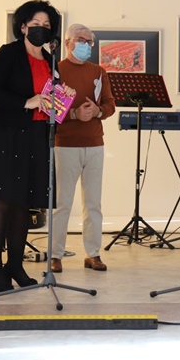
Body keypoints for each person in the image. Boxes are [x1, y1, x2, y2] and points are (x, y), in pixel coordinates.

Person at [0, 0, 73, 292]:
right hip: (5, 134)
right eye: (36, 24)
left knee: (23, 203)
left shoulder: (50, 60)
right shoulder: (8, 53)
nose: (41, 29)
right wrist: (26, 102)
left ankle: (15, 265)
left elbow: (51, 99)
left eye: (47, 25)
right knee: (2, 202)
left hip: (36, 135)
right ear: (23, 26)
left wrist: (62, 99)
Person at [50, 24, 116, 273]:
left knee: (93, 204)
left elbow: (110, 104)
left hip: (95, 145)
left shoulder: (99, 71)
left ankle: (93, 254)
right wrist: (75, 114)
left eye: (89, 42)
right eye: (81, 40)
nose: (86, 45)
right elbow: (50, 109)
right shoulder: (56, 70)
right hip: (65, 145)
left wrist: (97, 111)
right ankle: (55, 255)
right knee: (62, 203)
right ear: (68, 42)